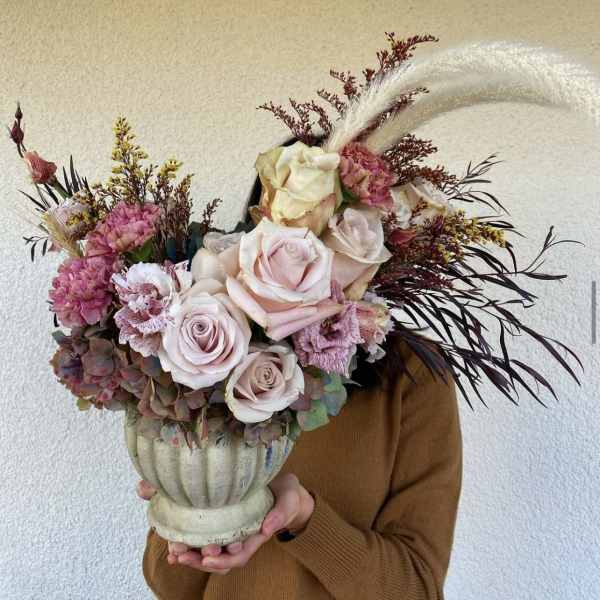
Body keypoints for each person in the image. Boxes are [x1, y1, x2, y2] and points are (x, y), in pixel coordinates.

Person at [139, 333, 462, 600]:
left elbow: (417, 589)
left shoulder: (413, 372)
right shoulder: (211, 346)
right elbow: (166, 584)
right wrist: (185, 510)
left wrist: (304, 517)